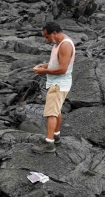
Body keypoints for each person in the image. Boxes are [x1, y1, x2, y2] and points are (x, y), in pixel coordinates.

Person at [31, 22, 75, 154]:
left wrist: (42, 72)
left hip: (59, 84)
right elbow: (57, 62)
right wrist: (45, 66)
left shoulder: (65, 45)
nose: (46, 40)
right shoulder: (58, 43)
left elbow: (62, 69)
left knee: (50, 113)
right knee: (57, 110)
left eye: (47, 37)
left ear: (54, 33)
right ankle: (56, 136)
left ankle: (49, 144)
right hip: (58, 83)